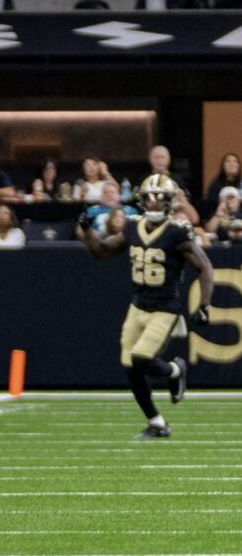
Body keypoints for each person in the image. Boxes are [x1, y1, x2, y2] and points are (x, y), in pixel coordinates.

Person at [79, 174, 214, 439]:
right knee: (130, 366)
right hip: (138, 305)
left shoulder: (176, 232)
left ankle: (175, 370)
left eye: (159, 198)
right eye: (149, 198)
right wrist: (87, 231)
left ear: (169, 202)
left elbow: (205, 267)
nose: (153, 203)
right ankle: (156, 423)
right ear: (142, 201)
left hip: (165, 308)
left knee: (141, 358)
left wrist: (204, 305)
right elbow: (100, 250)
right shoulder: (132, 227)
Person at [147, 145, 200, 226]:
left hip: (175, 215)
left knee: (182, 217)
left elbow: (194, 218)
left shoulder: (178, 180)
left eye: (162, 157)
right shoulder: (145, 180)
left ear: (169, 160)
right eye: (156, 157)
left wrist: (181, 197)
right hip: (151, 217)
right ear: (150, 160)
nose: (159, 160)